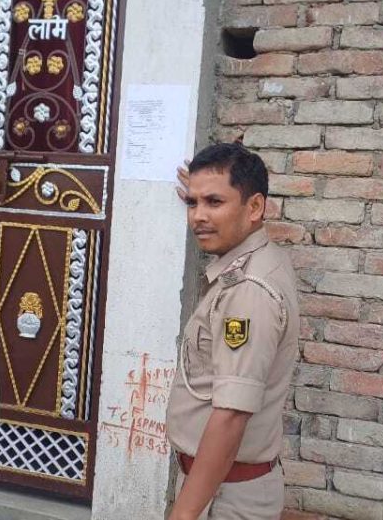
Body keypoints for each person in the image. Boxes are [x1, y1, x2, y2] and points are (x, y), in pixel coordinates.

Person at [165, 143, 299, 520]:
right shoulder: (258, 261)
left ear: (254, 208)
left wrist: (183, 515)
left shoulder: (248, 292)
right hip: (218, 487)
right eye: (192, 203)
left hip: (224, 497)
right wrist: (210, 199)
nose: (198, 216)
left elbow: (230, 418)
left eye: (214, 202)